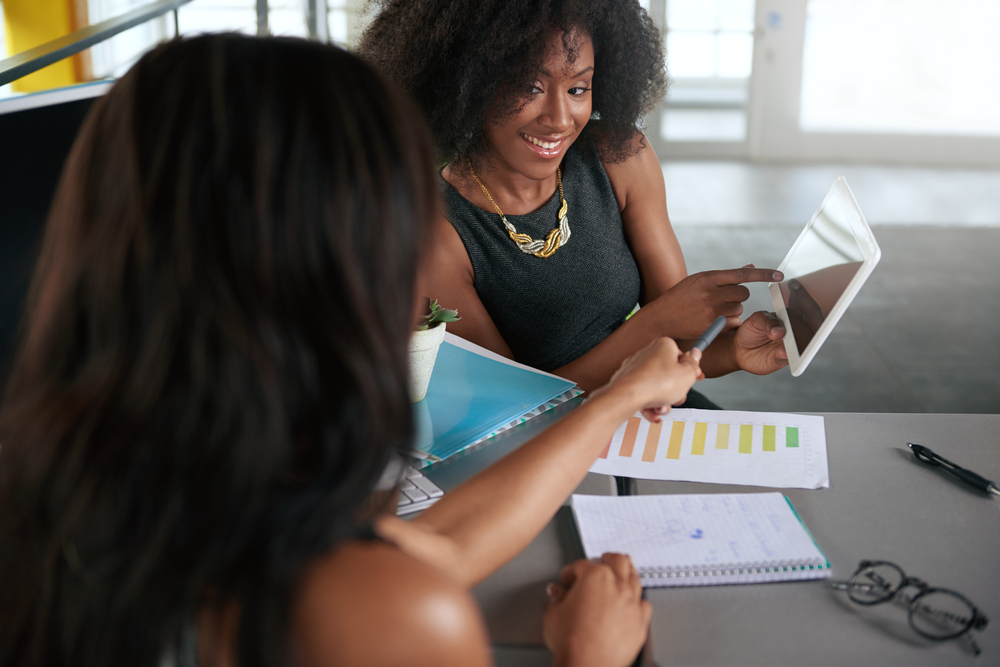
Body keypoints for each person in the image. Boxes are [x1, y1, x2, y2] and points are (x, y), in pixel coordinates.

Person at [0, 34, 703, 667]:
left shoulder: (81, 484)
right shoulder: (381, 615)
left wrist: (620, 397)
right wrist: (589, 659)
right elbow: (395, 584)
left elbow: (443, 546)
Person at [358, 0, 789, 394]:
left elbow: (682, 344)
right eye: (529, 86)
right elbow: (514, 406)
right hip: (542, 451)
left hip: (648, 408)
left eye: (578, 89)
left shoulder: (620, 157)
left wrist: (732, 353)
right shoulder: (433, 233)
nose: (560, 119)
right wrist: (651, 326)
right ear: (467, 85)